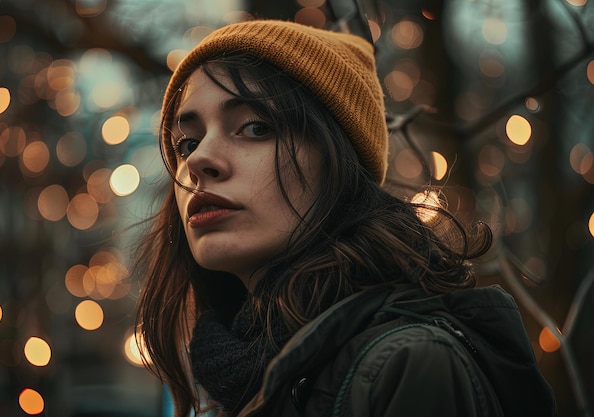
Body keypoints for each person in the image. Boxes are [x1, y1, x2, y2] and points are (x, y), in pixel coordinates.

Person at [132, 19, 556, 417]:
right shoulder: (232, 372)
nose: (200, 159)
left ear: (338, 164)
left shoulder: (406, 365)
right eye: (187, 143)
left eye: (256, 128)